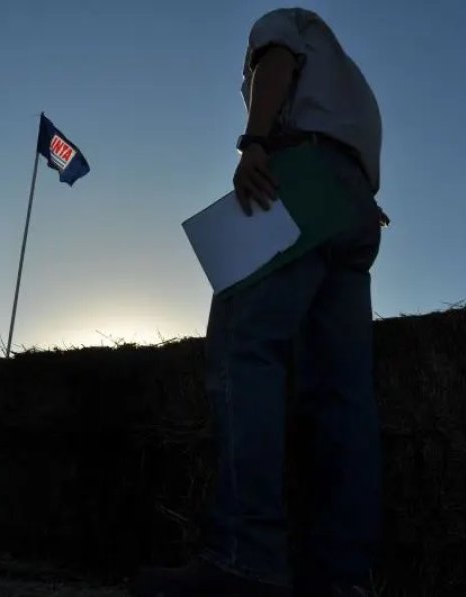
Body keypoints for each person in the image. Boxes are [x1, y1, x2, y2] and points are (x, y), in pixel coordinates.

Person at [133, 8, 386, 597]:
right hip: (356, 201)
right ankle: (342, 577)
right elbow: (353, 154)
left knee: (243, 354)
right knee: (341, 391)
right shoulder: (351, 79)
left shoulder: (286, 21)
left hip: (301, 176)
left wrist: (254, 141)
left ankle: (246, 559)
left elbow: (277, 58)